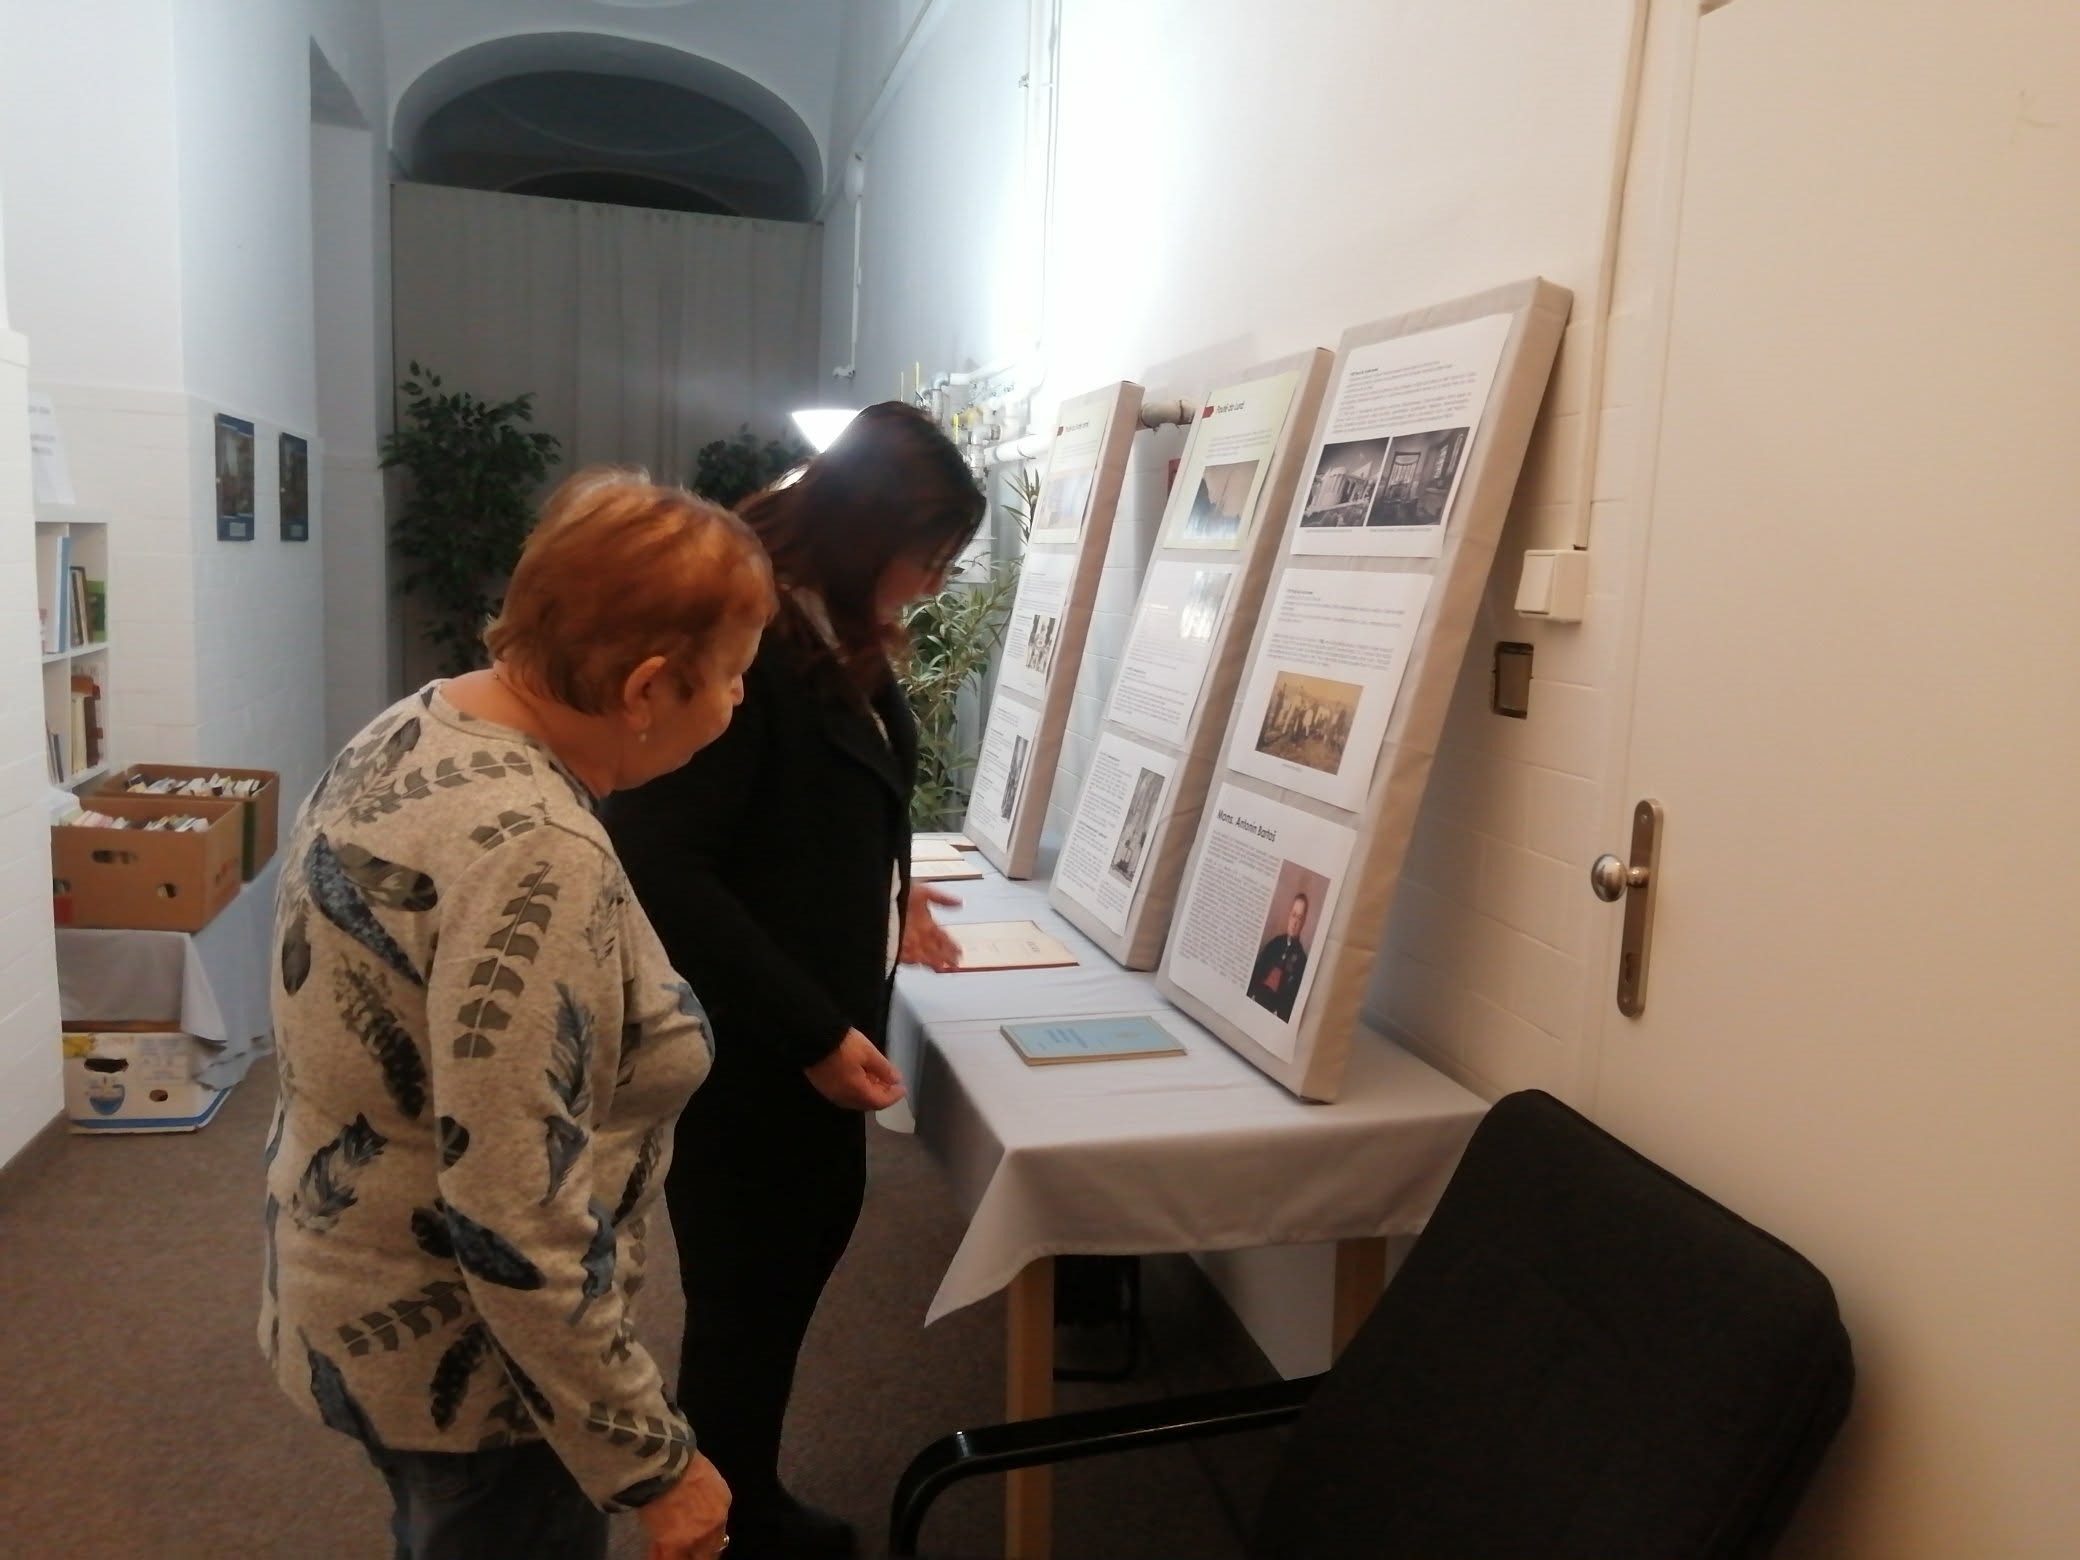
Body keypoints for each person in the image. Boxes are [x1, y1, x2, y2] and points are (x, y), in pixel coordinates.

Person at [260, 470, 775, 1560]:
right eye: (734, 675)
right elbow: (513, 1205)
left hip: (357, 1292)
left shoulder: (420, 724)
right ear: (647, 688)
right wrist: (651, 1463)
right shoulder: (537, 849)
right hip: (484, 1372)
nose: (738, 701)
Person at [602, 402, 983, 1559]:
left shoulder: (822, 622)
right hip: (755, 1041)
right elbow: (664, 860)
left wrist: (888, 892)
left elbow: (817, 802)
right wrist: (812, 1032)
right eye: (926, 558)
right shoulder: (749, 641)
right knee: (748, 1287)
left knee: (777, 1274)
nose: (930, 585)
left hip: (802, 1023)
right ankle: (727, 1519)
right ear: (868, 532)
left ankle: (739, 1491)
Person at [1247, 891, 1312, 1022]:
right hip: (1255, 999)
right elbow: (1257, 971)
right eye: (1294, 915)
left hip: (1273, 1013)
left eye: (1299, 918)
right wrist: (1250, 995)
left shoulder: (1302, 960)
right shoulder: (1275, 943)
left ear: (1304, 922)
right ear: (1289, 916)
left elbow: (1292, 1000)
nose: (1295, 922)